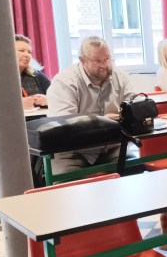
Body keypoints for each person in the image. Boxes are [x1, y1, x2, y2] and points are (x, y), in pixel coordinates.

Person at [46, 36, 136, 175]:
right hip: (71, 150)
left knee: (134, 168)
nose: (104, 65)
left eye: (107, 59)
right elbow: (63, 124)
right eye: (97, 61)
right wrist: (101, 122)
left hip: (111, 146)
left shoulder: (121, 77)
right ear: (82, 60)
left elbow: (135, 107)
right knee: (65, 180)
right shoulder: (65, 81)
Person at [0, 34, 51, 174]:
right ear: (7, 52)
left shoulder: (37, 76)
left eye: (29, 51)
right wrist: (14, 104)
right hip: (2, 134)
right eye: (21, 50)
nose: (27, 55)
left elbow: (56, 96)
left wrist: (47, 100)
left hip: (34, 131)